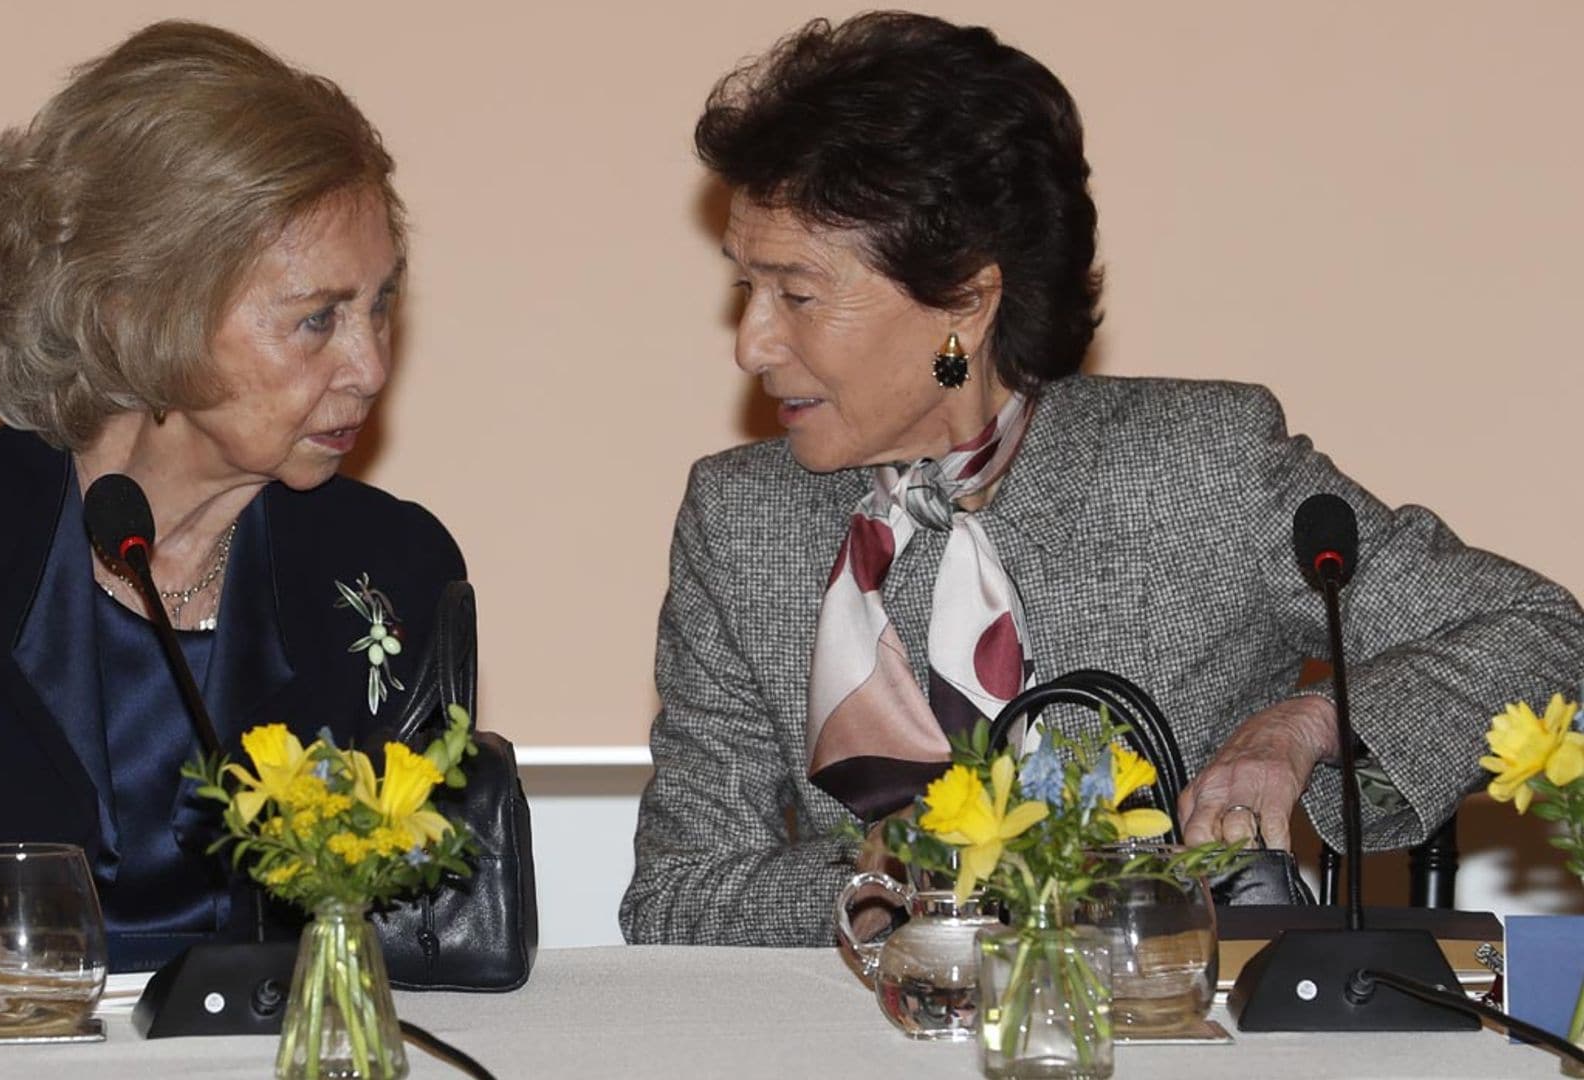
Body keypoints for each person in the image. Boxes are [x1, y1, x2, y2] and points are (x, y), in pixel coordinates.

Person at [620, 11, 1584, 945]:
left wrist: (1306, 726)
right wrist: (909, 878)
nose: (750, 343)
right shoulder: (741, 517)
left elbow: (1540, 636)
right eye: (745, 286)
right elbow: (677, 894)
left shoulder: (1199, 464)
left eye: (796, 293)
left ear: (965, 300)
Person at [0, 22, 463, 966]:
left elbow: (424, 934)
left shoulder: (390, 568)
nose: (370, 364)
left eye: (381, 303)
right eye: (318, 319)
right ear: (137, 312)